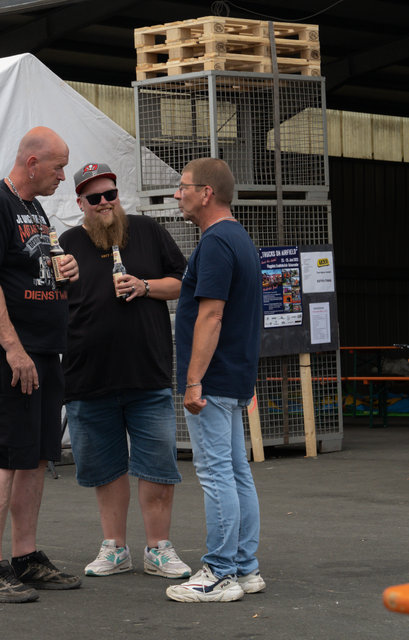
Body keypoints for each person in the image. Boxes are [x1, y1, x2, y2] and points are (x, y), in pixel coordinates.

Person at [0, 126, 82, 603]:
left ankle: (25, 557)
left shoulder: (34, 208)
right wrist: (14, 348)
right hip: (7, 353)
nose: (62, 176)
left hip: (43, 349)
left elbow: (32, 272)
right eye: (57, 167)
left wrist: (64, 271)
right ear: (32, 163)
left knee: (35, 455)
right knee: (7, 452)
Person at [59, 162, 191, 579]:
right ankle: (115, 547)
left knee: (156, 465)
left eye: (109, 194)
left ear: (119, 196)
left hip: (146, 372)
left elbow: (186, 282)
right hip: (88, 375)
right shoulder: (66, 243)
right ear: (79, 202)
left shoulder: (148, 232)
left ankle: (158, 548)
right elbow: (49, 301)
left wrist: (145, 286)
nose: (104, 204)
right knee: (106, 469)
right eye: (93, 198)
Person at [166, 158, 265, 603]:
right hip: (234, 375)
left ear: (206, 193)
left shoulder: (217, 243)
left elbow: (211, 314)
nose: (176, 194)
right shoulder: (239, 238)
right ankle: (245, 569)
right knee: (237, 472)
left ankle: (220, 572)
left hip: (214, 379)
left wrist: (192, 381)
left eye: (183, 186)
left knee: (217, 473)